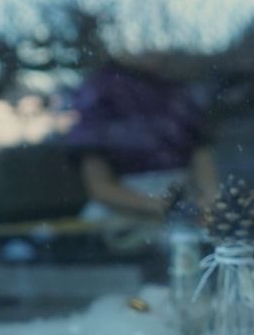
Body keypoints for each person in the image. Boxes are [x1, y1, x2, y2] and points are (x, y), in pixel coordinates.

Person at [67, 52, 217, 240]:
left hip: (186, 208)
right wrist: (160, 206)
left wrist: (207, 198)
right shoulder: (99, 93)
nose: (151, 49)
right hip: (126, 215)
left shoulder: (176, 90)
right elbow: (100, 187)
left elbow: (201, 156)